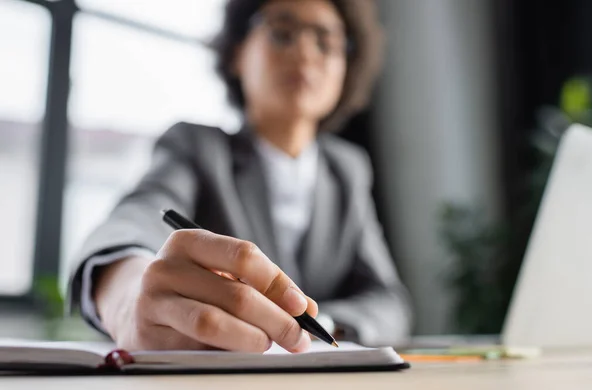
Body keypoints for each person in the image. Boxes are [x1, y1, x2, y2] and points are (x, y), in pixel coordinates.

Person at [67, 0, 412, 353]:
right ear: (236, 54)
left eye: (326, 42)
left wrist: (318, 324)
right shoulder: (196, 147)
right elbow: (134, 218)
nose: (307, 52)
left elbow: (388, 300)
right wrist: (128, 303)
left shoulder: (348, 170)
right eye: (282, 33)